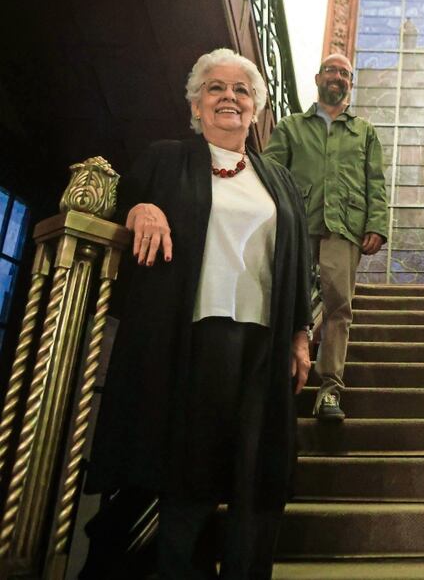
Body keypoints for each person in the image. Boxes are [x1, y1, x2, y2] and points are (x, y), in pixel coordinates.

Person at [87, 48, 313, 577]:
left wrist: (300, 335)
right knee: (186, 473)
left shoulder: (277, 179)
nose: (228, 97)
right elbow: (127, 202)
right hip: (187, 342)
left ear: (255, 110)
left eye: (240, 90)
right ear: (195, 106)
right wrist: (140, 208)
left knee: (254, 475)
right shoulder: (166, 159)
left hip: (261, 343)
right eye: (215, 88)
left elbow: (298, 259)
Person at [263, 53, 388, 422]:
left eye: (344, 73)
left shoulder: (364, 131)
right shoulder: (290, 127)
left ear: (351, 82)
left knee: (338, 306)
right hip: (296, 226)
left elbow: (375, 182)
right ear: (318, 77)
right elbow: (271, 175)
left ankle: (329, 391)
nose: (337, 77)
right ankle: (277, 379)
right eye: (331, 70)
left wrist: (377, 224)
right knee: (285, 300)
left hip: (345, 227)